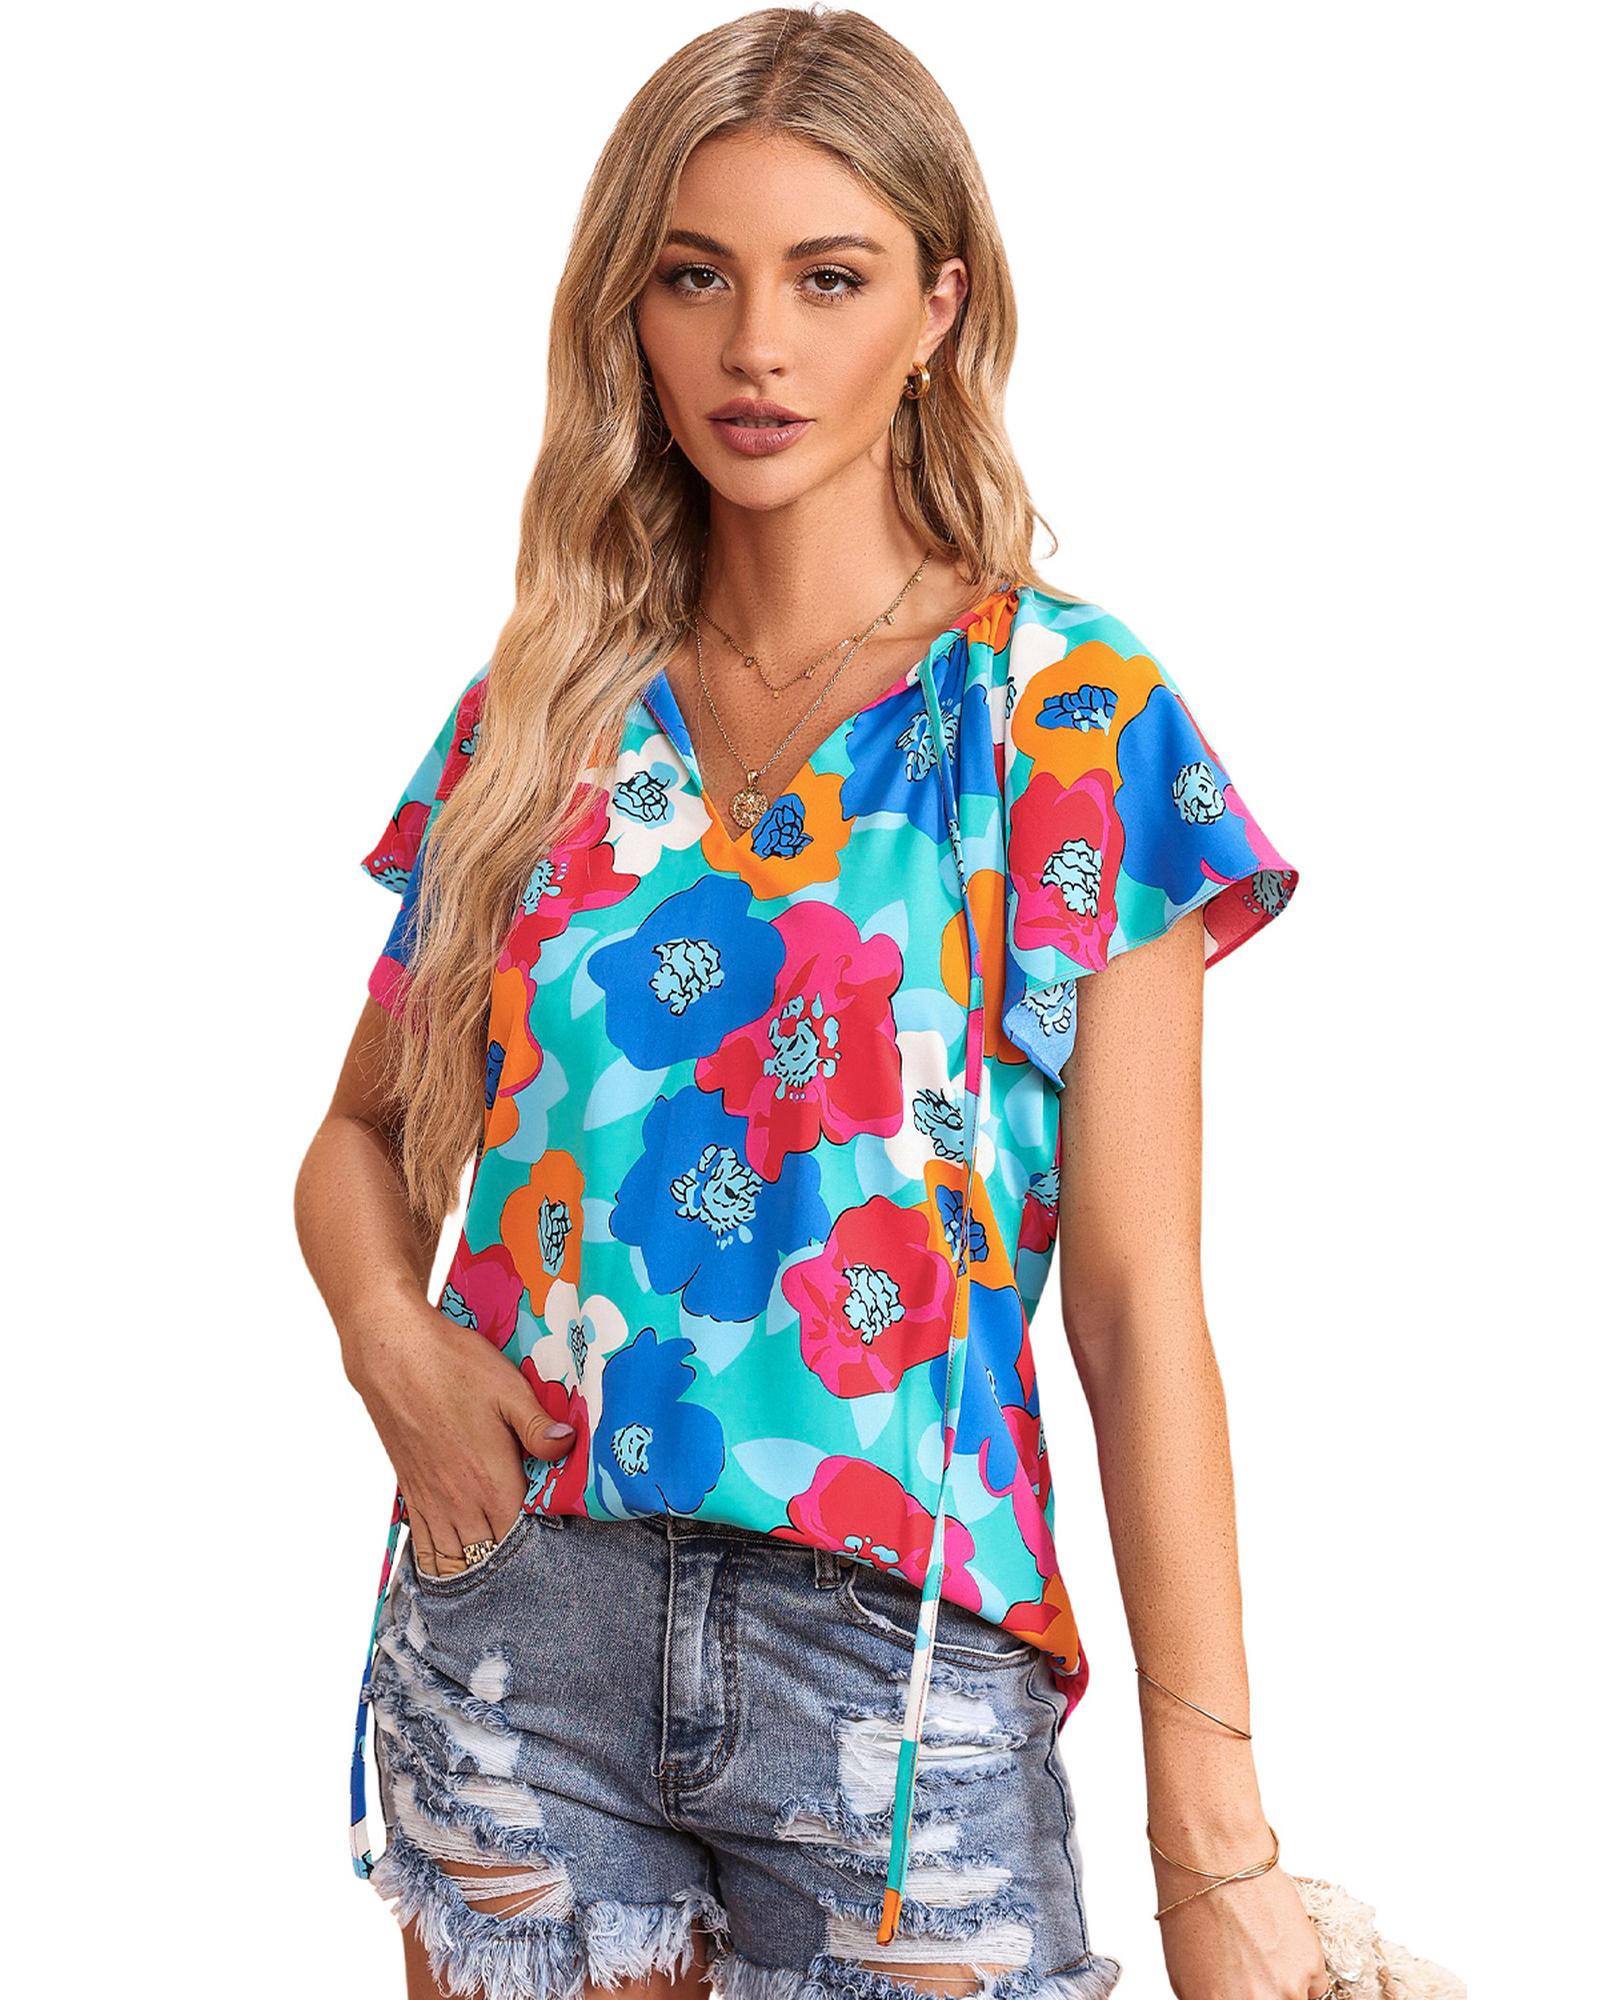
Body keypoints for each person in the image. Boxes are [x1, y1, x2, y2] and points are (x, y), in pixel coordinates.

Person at [294, 9, 1324, 1999]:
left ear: (939, 307)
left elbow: (1133, 1304)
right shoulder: (543, 717)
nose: (754, 346)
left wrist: (1212, 1837)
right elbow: (356, 1138)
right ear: (631, 312)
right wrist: (386, 1341)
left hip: (897, 1677)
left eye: (827, 278)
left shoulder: (1066, 718)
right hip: (520, 1634)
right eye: (696, 276)